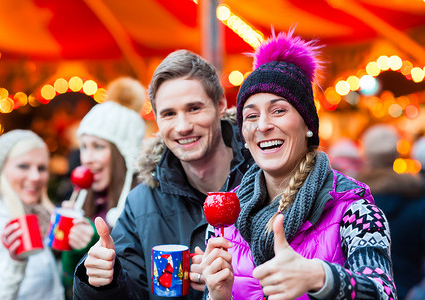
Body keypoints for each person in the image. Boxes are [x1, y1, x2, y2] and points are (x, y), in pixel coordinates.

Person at [200, 29, 397, 300]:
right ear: (243, 135)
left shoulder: (355, 209)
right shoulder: (225, 218)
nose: (264, 125)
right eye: (252, 115)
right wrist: (217, 296)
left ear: (307, 125)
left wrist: (319, 276)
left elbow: (383, 293)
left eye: (279, 110)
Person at [72, 49, 253, 300]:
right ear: (156, 118)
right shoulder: (142, 202)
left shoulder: (264, 181)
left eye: (194, 108)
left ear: (220, 105)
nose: (182, 126)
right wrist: (101, 280)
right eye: (169, 114)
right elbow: (131, 292)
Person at [60, 92, 147, 298]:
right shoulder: (83, 201)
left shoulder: (142, 203)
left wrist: (94, 244)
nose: (87, 158)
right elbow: (67, 282)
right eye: (83, 147)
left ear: (123, 153)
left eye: (98, 147)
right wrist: (71, 250)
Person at [0, 129, 65, 299]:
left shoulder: (41, 217)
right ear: (1, 170)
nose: (35, 176)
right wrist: (15, 263)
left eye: (42, 168)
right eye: (23, 166)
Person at [357, 125, 425, 300]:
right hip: (408, 290)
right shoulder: (416, 195)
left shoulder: (352, 197)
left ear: (366, 155)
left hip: (364, 292)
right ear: (397, 154)